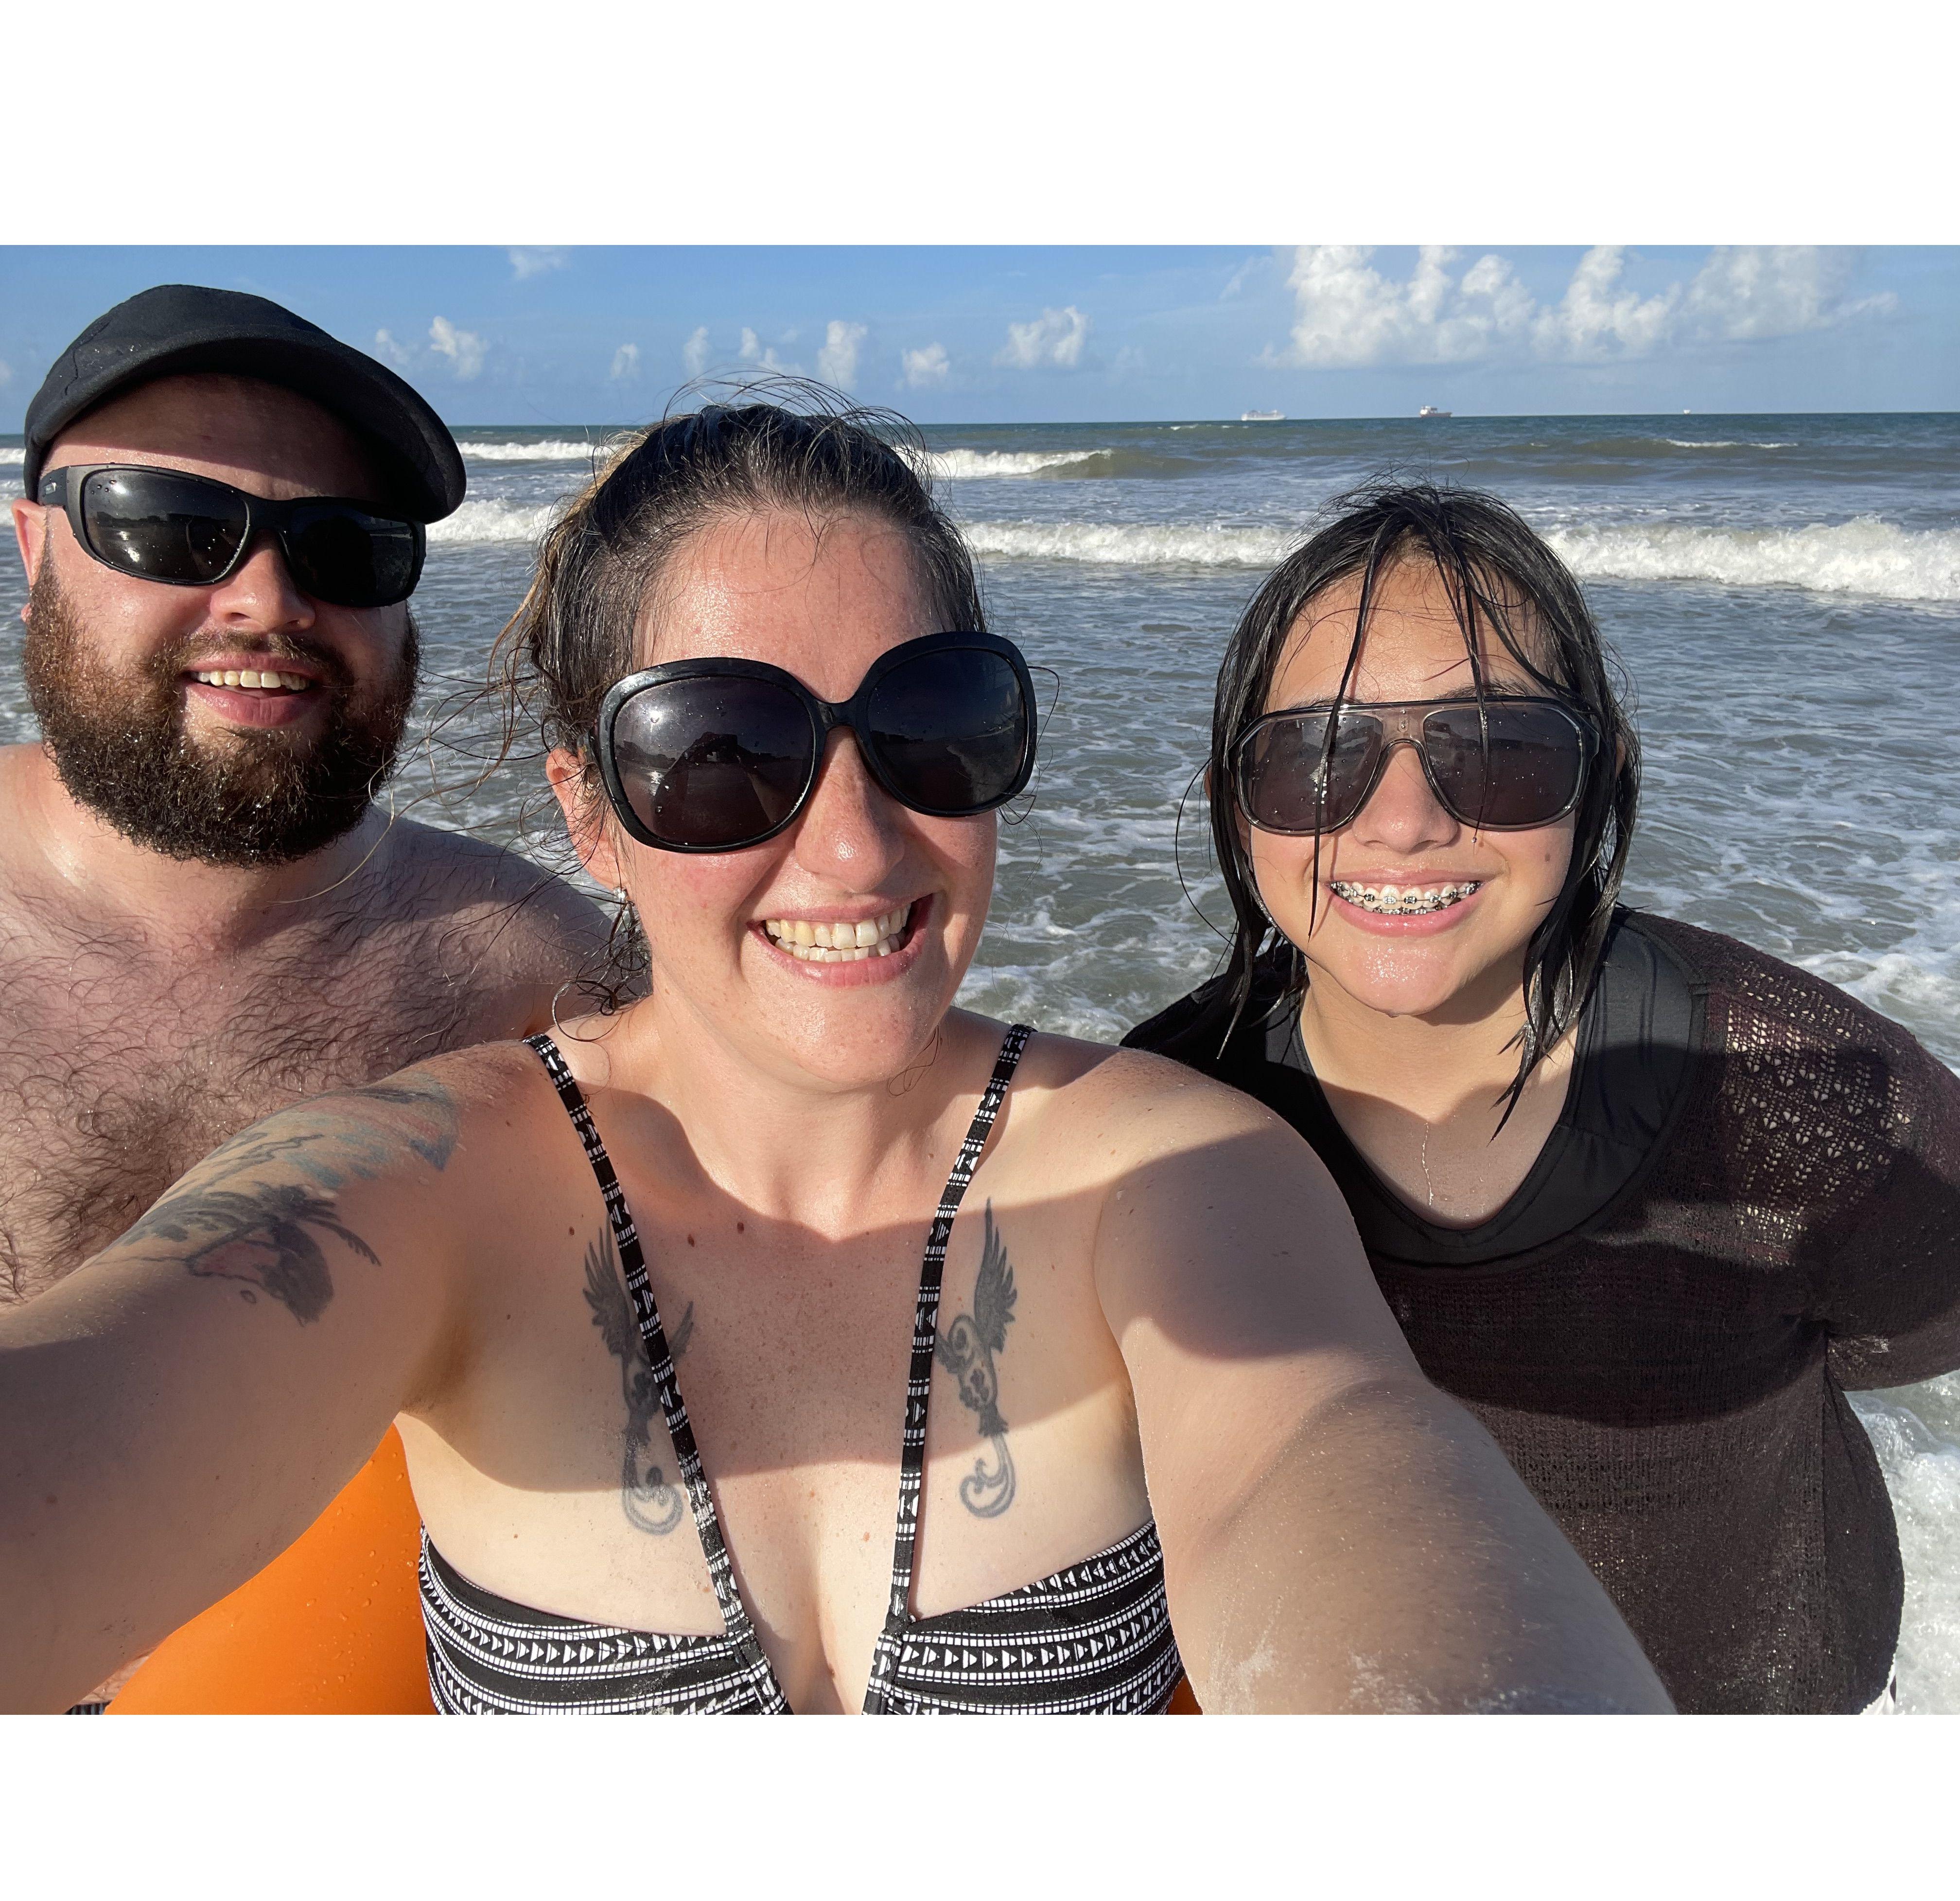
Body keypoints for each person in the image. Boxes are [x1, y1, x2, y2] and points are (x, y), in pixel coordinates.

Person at [0, 402, 1671, 1715]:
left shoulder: (1175, 1169)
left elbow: (1341, 1462)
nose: (859, 846)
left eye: (932, 721)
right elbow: (125, 1379)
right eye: (723, 752)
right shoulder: (427, 1184)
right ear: (588, 803)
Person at [1125, 480, 1960, 1714]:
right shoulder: (1163, 1129)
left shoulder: (1791, 1090)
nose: (1403, 822)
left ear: (1599, 773)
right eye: (1318, 757)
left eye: (1497, 752)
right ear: (1232, 802)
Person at [5, 285, 608, 1709]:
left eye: (344, 548)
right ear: (29, 546)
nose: (269, 601)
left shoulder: (531, 967)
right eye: (167, 525)